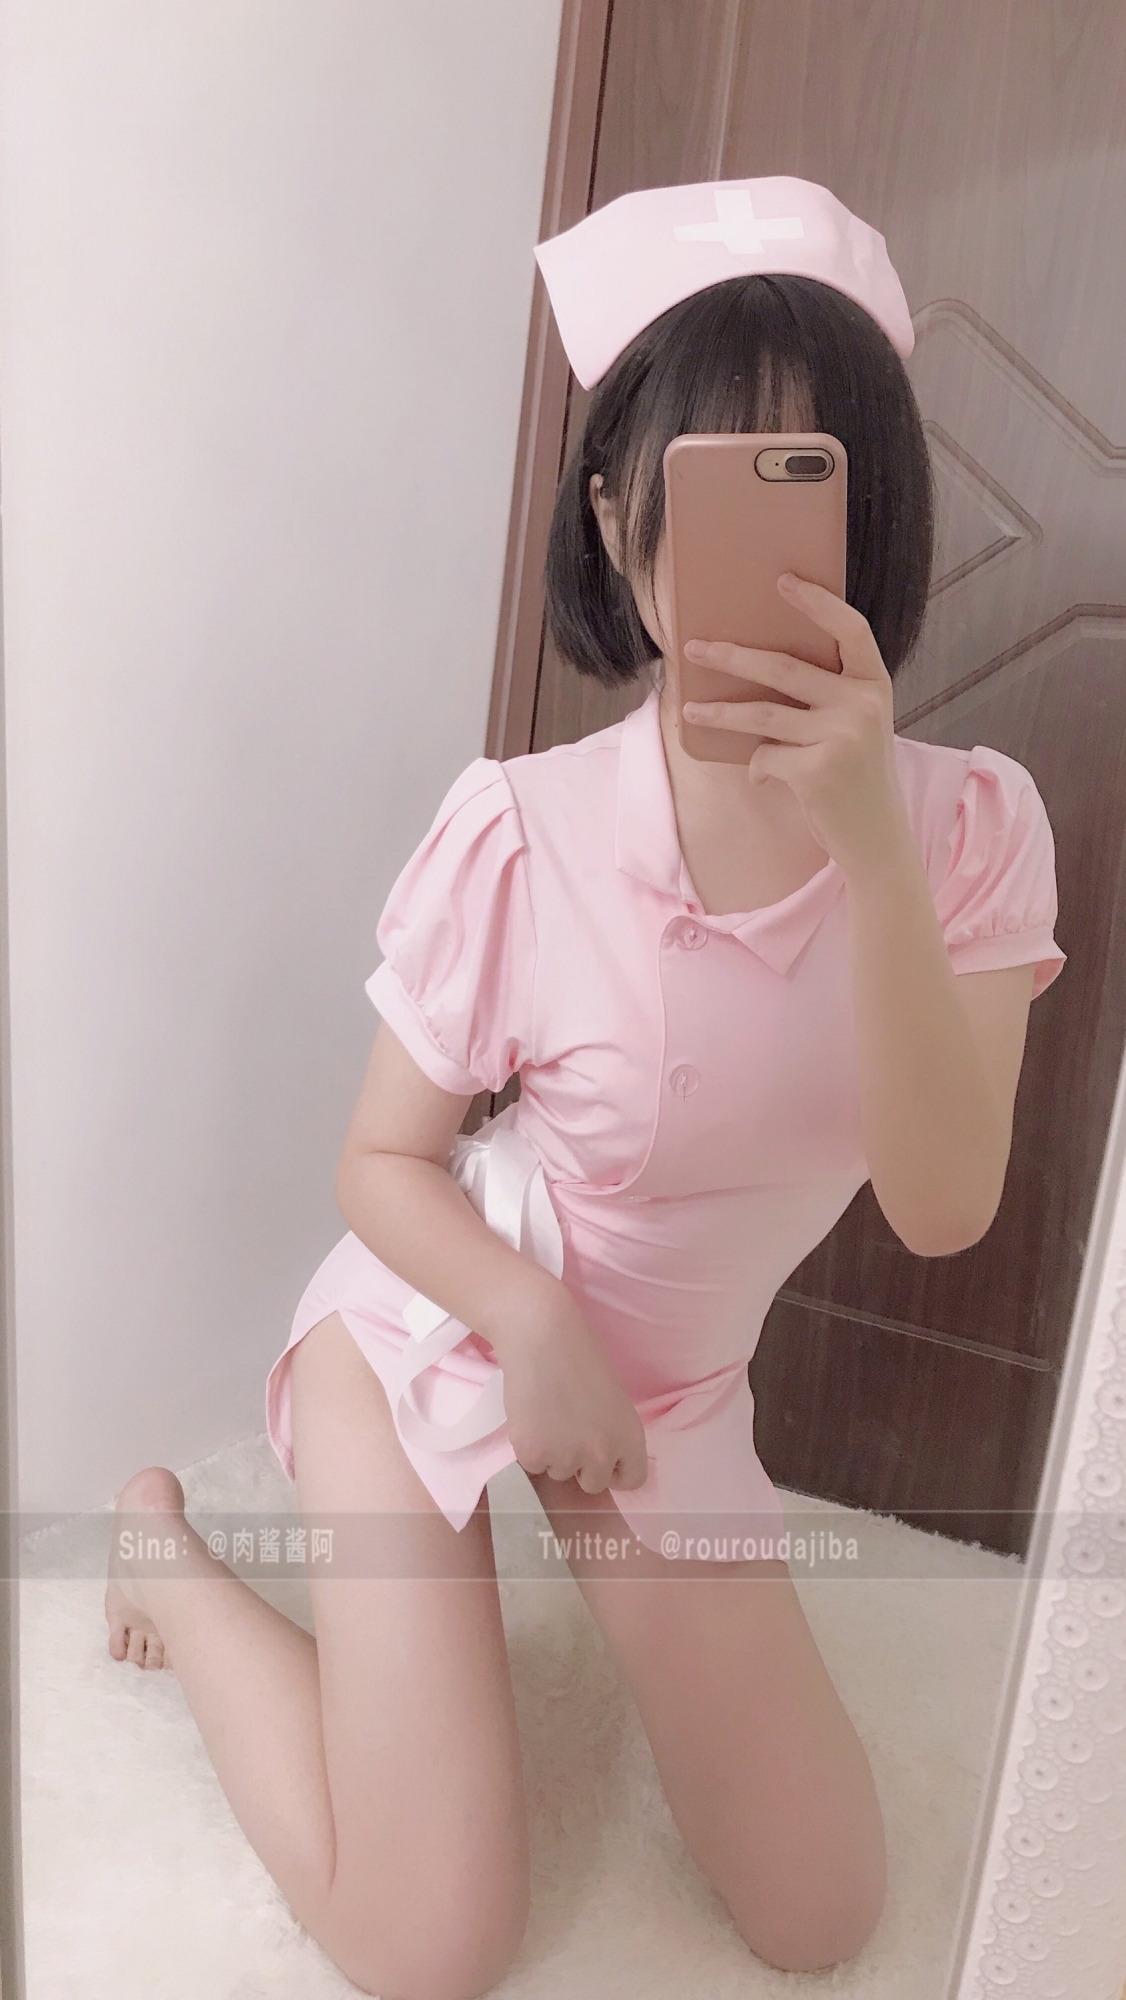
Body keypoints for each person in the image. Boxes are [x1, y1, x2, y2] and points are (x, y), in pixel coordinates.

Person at [104, 178, 1066, 1999]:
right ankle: (163, 1552)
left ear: (873, 513)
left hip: (669, 1397)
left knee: (822, 1914)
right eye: (707, 486)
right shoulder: (518, 832)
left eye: (807, 483)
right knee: (427, 1942)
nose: (757, 553)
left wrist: (867, 847)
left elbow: (944, 1209)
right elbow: (381, 1161)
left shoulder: (965, 833)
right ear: (619, 518)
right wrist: (531, 1322)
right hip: (449, 1328)